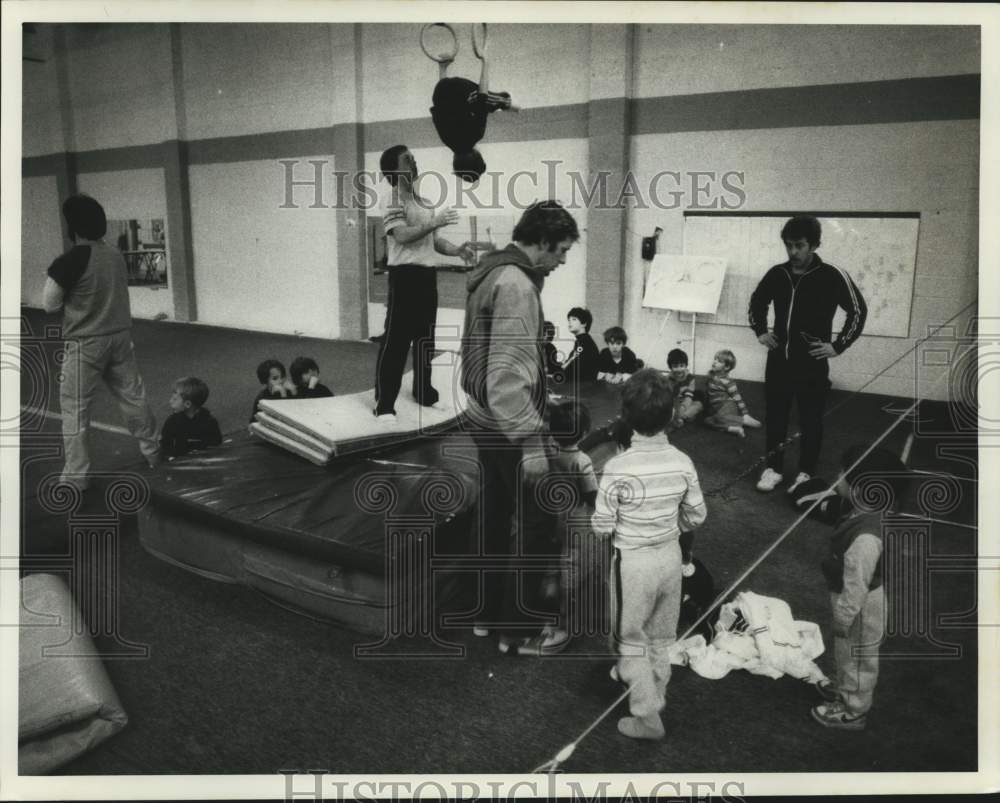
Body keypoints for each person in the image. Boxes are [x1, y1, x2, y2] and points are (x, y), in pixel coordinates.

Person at [460, 200, 580, 653]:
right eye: (561, 250)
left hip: (481, 415)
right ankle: (521, 629)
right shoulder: (515, 283)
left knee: (493, 514)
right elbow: (506, 376)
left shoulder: (491, 272)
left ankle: (485, 613)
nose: (562, 260)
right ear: (542, 241)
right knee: (537, 518)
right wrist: (530, 442)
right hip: (504, 423)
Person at [591, 368, 707, 740]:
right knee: (659, 636)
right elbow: (697, 515)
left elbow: (602, 525)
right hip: (670, 559)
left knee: (630, 638)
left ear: (625, 416)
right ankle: (652, 688)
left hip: (634, 565)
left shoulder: (616, 467)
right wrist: (669, 526)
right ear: (672, 414)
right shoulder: (683, 461)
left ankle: (647, 715)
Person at [42, 194, 160, 490]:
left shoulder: (70, 260)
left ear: (73, 225)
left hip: (85, 344)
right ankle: (154, 453)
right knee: (134, 398)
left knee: (75, 410)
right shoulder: (115, 255)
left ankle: (76, 478)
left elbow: (49, 305)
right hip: (120, 338)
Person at [749, 215, 867, 493]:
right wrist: (761, 331)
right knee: (776, 418)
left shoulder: (832, 275)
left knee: (811, 420)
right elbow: (757, 302)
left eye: (799, 246)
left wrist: (838, 345)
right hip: (779, 361)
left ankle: (806, 472)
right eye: (788, 245)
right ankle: (773, 468)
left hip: (812, 363)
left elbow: (858, 311)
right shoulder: (777, 273)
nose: (793, 252)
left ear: (814, 245)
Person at [374, 145, 473, 423]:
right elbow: (402, 235)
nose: (414, 162)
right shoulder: (391, 199)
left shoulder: (425, 202)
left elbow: (434, 241)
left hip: (427, 277)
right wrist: (434, 222)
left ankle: (423, 392)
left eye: (413, 158)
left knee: (425, 339)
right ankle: (384, 404)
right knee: (395, 342)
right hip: (404, 276)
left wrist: (457, 250)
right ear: (394, 170)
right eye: (407, 160)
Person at [812, 445, 907, 730]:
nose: (838, 476)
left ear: (862, 489)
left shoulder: (865, 538)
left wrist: (844, 616)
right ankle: (845, 688)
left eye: (844, 474)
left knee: (857, 657)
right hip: (855, 599)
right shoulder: (865, 511)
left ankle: (853, 710)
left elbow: (857, 584)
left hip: (860, 606)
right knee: (848, 653)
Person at [517, 396, 599, 656]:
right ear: (584, 433)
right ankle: (562, 623)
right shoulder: (581, 460)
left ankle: (546, 612)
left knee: (550, 566)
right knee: (570, 568)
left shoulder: (547, 452)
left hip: (549, 517)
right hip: (573, 524)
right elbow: (591, 494)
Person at [429, 26, 514, 182]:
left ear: (478, 156)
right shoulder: (446, 139)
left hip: (462, 90)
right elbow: (440, 104)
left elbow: (482, 97)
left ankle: (504, 102)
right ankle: (502, 103)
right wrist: (442, 69)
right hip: (441, 89)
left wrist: (485, 62)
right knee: (466, 105)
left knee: (490, 101)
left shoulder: (476, 135)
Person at [702, 349, 761, 438]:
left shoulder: (728, 382)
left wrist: (745, 413)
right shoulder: (711, 378)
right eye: (715, 359)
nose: (714, 362)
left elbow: (738, 398)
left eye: (719, 361)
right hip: (717, 409)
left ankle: (744, 420)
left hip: (728, 407)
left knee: (719, 418)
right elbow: (709, 394)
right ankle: (733, 429)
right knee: (707, 421)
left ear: (726, 367)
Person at [160, 377, 223, 458]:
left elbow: (216, 444)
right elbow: (165, 445)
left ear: (187, 404)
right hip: (181, 460)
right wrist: (171, 456)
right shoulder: (172, 421)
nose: (170, 401)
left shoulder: (209, 422)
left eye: (174, 399)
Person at [560, 307, 600, 384]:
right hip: (580, 384)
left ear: (584, 324)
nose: (570, 323)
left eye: (574, 319)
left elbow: (573, 368)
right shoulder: (582, 341)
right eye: (569, 320)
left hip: (584, 386)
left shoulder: (585, 342)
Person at [665, 348, 702, 429]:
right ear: (670, 367)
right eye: (675, 366)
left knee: (698, 405)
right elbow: (669, 397)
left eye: (682, 366)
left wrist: (683, 407)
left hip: (687, 403)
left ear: (686, 366)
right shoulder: (668, 379)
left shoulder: (690, 378)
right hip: (674, 404)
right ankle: (682, 417)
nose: (679, 369)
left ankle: (680, 418)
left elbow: (689, 396)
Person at [250, 359, 292, 423]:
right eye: (275, 378)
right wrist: (283, 395)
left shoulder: (290, 392)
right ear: (265, 381)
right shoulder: (263, 398)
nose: (280, 381)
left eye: (282, 377)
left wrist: (294, 392)